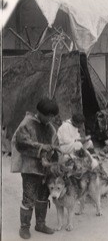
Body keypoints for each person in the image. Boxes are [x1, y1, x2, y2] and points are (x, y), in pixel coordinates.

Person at [11, 97, 59, 239]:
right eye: (47, 116)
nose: (49, 119)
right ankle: (24, 227)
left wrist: (54, 156)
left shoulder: (51, 128)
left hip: (45, 169)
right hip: (31, 168)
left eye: (52, 116)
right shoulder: (27, 124)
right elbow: (21, 144)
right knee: (29, 197)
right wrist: (42, 148)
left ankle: (40, 224)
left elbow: (55, 144)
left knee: (43, 195)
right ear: (40, 112)